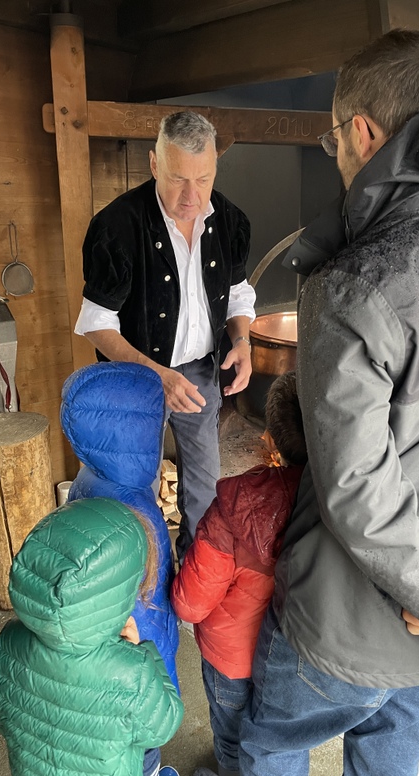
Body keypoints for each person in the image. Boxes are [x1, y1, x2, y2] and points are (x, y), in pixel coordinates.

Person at [239, 29, 419, 776]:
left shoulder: (353, 281)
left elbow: (359, 497)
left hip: (346, 628)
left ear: (361, 132)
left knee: (269, 744)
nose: (336, 154)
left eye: (334, 139)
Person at [77, 110, 256, 562]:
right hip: (137, 382)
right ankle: (147, 578)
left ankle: (195, 576)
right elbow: (97, 322)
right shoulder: (116, 227)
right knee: (137, 486)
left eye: (203, 179)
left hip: (200, 376)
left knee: (205, 486)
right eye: (178, 179)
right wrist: (157, 374)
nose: (191, 196)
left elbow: (238, 293)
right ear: (154, 164)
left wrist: (242, 342)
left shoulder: (229, 220)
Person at [0, 497, 184, 776]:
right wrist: (143, 653)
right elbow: (163, 725)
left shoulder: (8, 642)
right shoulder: (131, 672)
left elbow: (0, 714)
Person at [171, 372, 307, 776]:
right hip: (298, 656)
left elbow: (190, 605)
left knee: (231, 732)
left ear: (271, 438)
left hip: (231, 657)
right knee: (284, 737)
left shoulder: (234, 506)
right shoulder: (346, 499)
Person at [60, 360, 181, 776]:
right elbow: (149, 597)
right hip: (138, 645)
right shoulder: (139, 507)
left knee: (111, 732)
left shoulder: (89, 478)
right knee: (141, 736)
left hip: (97, 643)